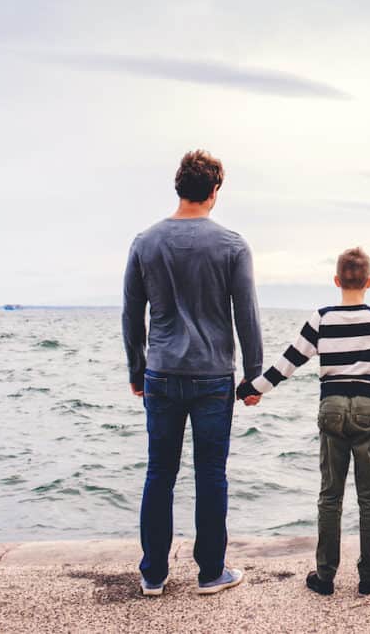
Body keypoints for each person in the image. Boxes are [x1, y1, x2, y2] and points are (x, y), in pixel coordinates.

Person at [238, 247, 370, 596]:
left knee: (330, 495)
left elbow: (288, 362)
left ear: (336, 281)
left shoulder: (321, 318)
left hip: (332, 408)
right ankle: (368, 574)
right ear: (369, 282)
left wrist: (254, 389)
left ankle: (325, 576)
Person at [122, 149, 262, 596]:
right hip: (213, 376)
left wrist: (136, 368)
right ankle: (209, 573)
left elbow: (131, 314)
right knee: (211, 475)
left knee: (158, 473)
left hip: (161, 372)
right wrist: (254, 374)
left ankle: (153, 574)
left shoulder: (145, 242)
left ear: (179, 186)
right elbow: (247, 315)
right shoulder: (232, 245)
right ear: (215, 191)